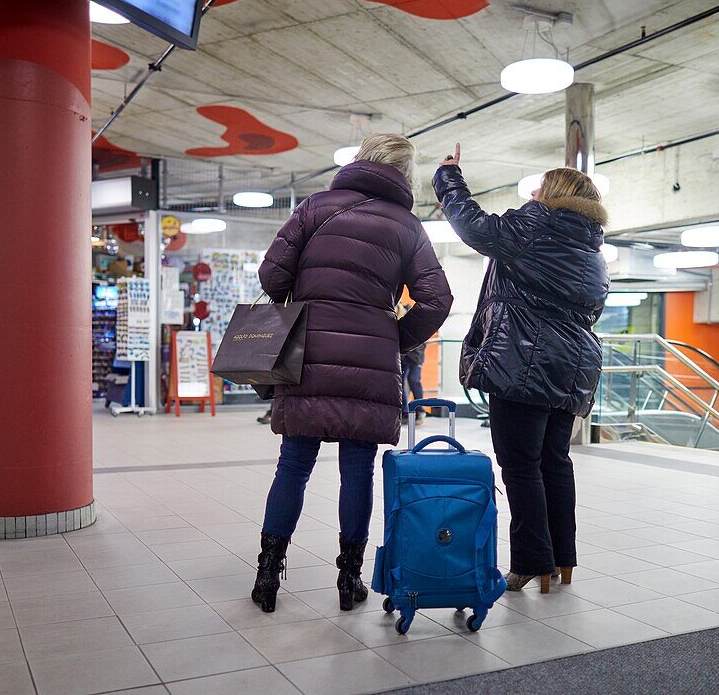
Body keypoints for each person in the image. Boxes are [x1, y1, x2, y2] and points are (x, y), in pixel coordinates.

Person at [252, 133, 453, 613]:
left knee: (293, 466)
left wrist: (307, 297)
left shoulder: (314, 207)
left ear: (361, 160)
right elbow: (437, 299)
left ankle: (267, 576)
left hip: (307, 358)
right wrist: (394, 337)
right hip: (368, 367)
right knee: (356, 471)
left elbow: (271, 276)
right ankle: (349, 581)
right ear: (406, 174)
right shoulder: (406, 226)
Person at [434, 144, 608, 594]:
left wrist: (449, 177)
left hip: (522, 361)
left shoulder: (538, 224)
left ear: (553, 195)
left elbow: (474, 226)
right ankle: (562, 559)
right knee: (555, 462)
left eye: (540, 187)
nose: (532, 191)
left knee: (521, 466)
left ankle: (532, 562)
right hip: (570, 368)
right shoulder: (591, 249)